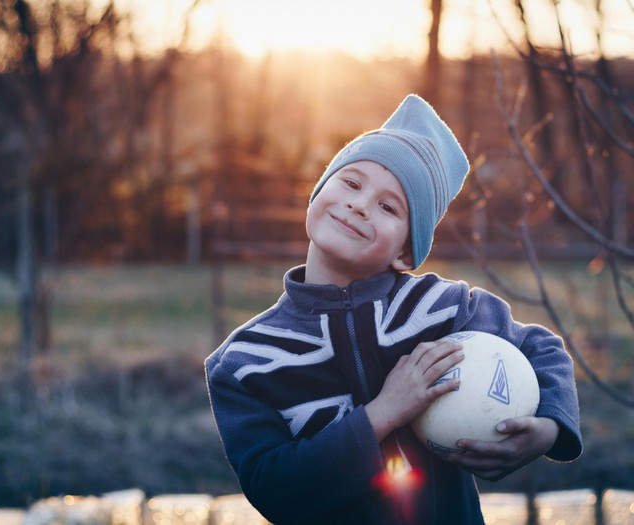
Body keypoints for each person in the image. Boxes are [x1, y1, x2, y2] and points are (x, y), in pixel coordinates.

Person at [204, 94, 582, 525]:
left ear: (406, 252)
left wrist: (548, 430)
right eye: (350, 183)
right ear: (317, 193)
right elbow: (274, 489)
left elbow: (542, 348)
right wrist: (383, 413)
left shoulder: (443, 310)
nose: (360, 204)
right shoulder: (245, 363)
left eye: (388, 206)